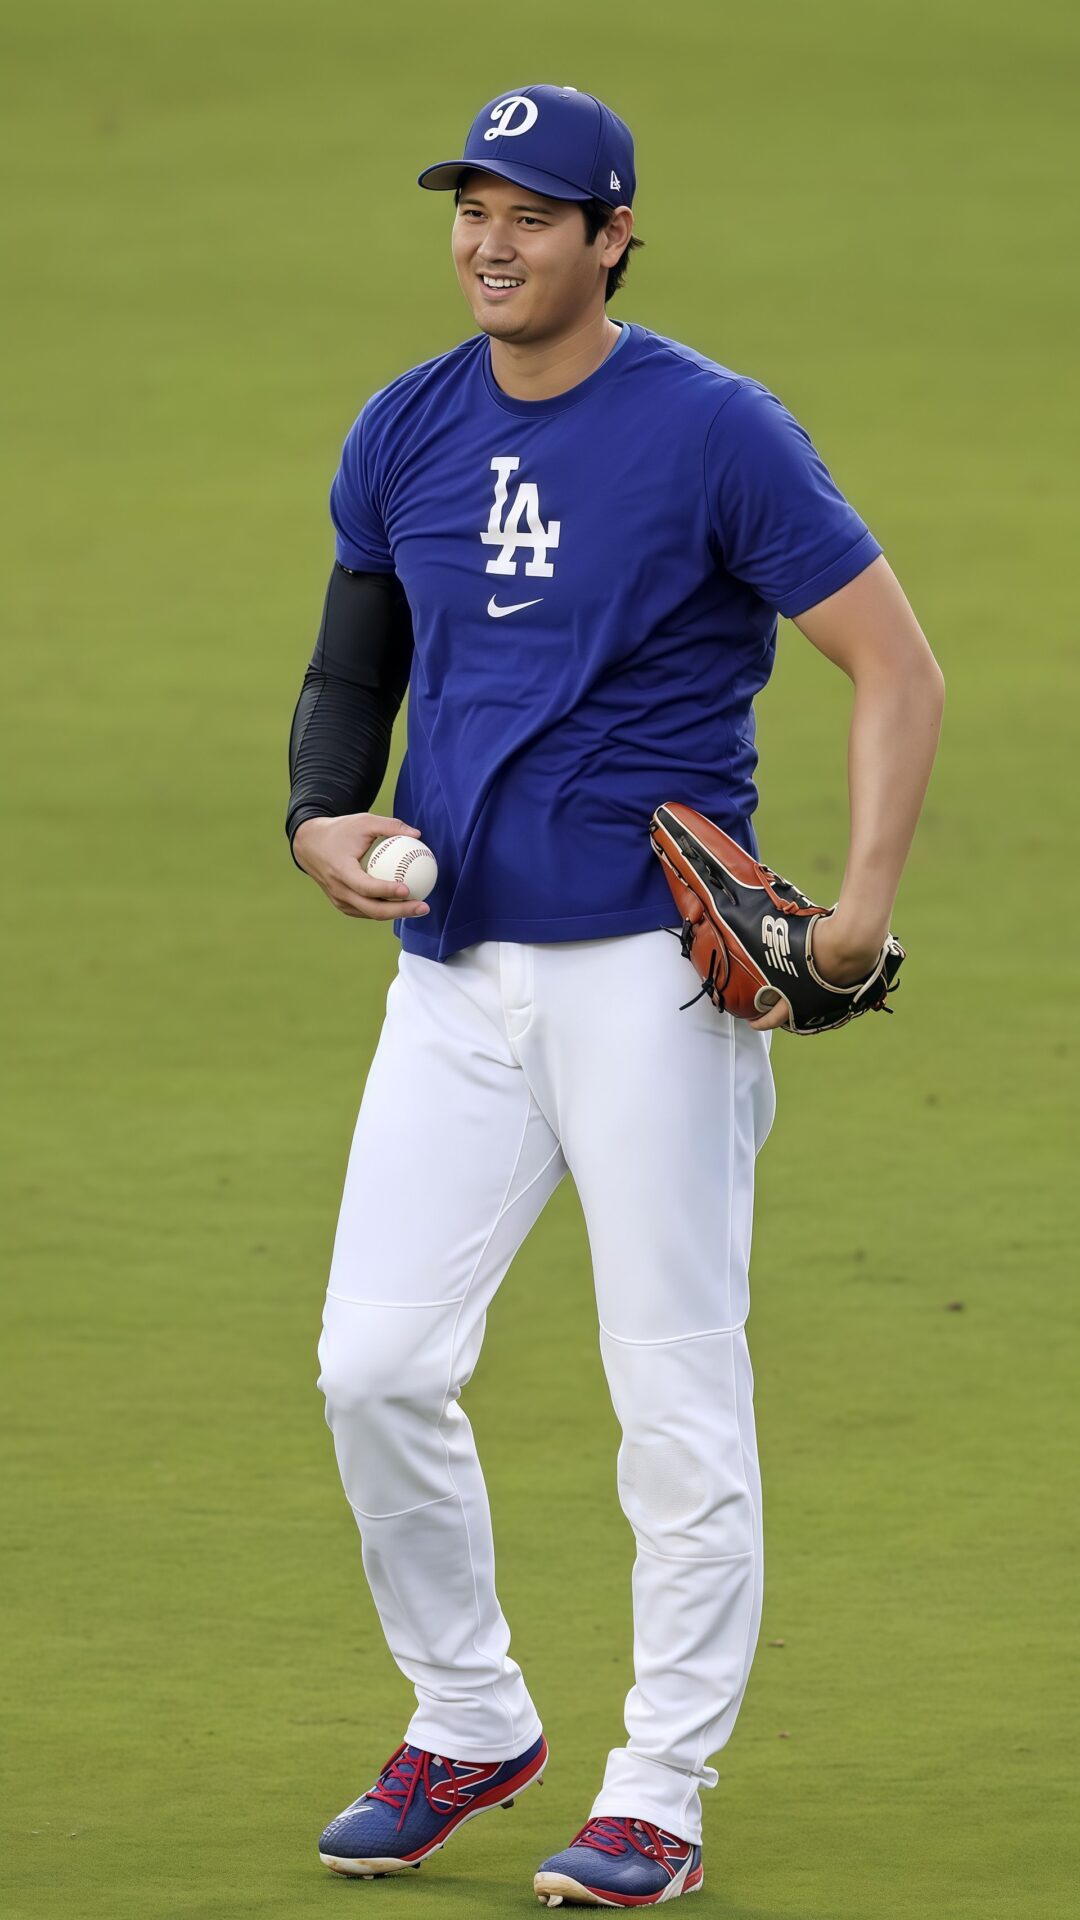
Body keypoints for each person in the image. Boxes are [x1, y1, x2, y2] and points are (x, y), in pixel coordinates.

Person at [286, 83, 944, 1909]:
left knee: (673, 1392)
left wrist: (857, 922)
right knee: (373, 1367)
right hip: (452, 980)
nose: (490, 243)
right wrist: (321, 816)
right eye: (471, 210)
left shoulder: (717, 431)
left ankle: (659, 1791)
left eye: (532, 215)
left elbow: (896, 668)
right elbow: (352, 670)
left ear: (613, 234)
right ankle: (469, 1717)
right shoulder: (407, 424)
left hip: (656, 981)